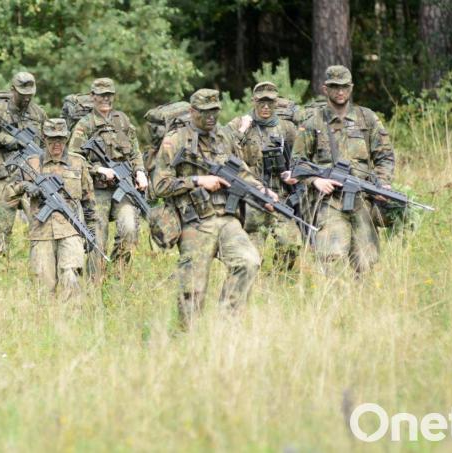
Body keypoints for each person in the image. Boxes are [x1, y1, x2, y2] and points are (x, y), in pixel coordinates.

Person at [151, 88, 278, 328]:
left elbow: (241, 171)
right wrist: (198, 181)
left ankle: (227, 326)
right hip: (194, 223)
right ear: (192, 111)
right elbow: (159, 186)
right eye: (205, 112)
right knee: (193, 289)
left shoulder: (224, 137)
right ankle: (187, 338)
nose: (211, 117)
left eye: (215, 112)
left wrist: (263, 192)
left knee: (248, 261)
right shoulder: (175, 140)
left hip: (227, 220)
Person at [292, 65, 395, 275]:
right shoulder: (313, 123)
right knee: (332, 257)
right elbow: (297, 164)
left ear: (351, 88)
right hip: (329, 203)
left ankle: (360, 305)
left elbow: (384, 156)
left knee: (367, 260)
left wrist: (383, 183)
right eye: (334, 87)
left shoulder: (367, 119)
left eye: (344, 87)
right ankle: (332, 304)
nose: (340, 91)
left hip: (363, 200)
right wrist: (315, 181)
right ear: (325, 89)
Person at [67, 77, 147, 279]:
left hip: (124, 187)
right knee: (97, 238)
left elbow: (135, 152)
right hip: (98, 190)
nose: (106, 99)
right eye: (101, 95)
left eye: (109, 95)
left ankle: (116, 276)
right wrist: (99, 170)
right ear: (93, 97)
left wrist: (140, 171)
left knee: (129, 229)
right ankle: (94, 282)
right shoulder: (84, 125)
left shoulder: (122, 120)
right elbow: (74, 158)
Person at [8, 119, 96, 298]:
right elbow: (7, 193)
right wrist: (25, 186)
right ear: (44, 138)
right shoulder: (31, 163)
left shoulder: (78, 163)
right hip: (41, 233)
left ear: (67, 138)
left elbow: (89, 200)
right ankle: (45, 323)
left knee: (71, 278)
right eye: (51, 139)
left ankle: (71, 322)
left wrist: (91, 231)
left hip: (71, 230)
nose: (57, 144)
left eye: (61, 139)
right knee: (42, 285)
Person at [227, 81, 303, 272]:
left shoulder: (286, 128)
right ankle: (255, 283)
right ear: (254, 101)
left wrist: (294, 174)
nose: (266, 106)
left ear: (277, 102)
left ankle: (278, 277)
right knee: (252, 253)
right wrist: (242, 131)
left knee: (291, 244)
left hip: (280, 198)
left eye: (270, 102)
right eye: (261, 102)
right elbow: (222, 150)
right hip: (251, 198)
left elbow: (302, 157)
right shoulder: (240, 124)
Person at [0, 71, 48, 257]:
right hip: (5, 177)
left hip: (32, 176)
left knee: (39, 223)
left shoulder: (39, 114)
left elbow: (47, 145)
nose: (26, 99)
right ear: (12, 90)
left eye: (30, 95)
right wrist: (3, 138)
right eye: (23, 95)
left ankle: (38, 265)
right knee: (2, 226)